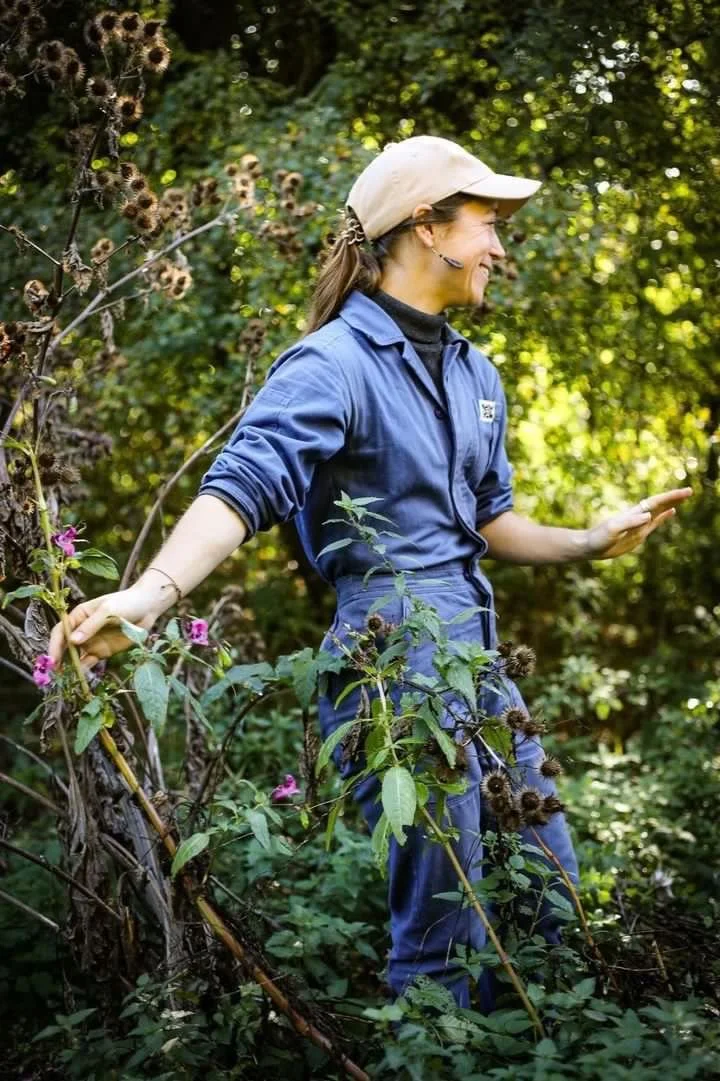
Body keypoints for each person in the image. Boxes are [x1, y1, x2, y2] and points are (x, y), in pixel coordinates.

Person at [49, 134, 692, 1011]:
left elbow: (492, 522)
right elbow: (245, 485)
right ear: (425, 226)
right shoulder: (332, 363)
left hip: (479, 660)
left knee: (548, 893)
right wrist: (151, 597)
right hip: (396, 669)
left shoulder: (477, 374)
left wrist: (588, 540)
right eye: (487, 222)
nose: (501, 246)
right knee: (444, 923)